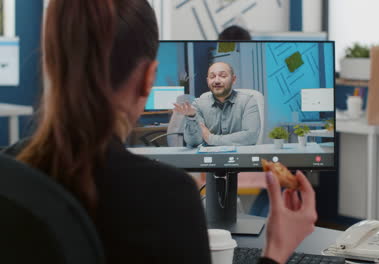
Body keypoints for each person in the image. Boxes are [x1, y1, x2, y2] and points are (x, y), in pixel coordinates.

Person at [3, 0, 317, 263]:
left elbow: (244, 137)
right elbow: (192, 141)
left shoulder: (10, 173)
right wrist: (276, 250)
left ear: (52, 65)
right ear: (148, 78)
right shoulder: (168, 197)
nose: (216, 80)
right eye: (212, 76)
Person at [173, 61, 261, 147]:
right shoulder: (198, 104)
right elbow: (194, 142)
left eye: (223, 76)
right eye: (212, 77)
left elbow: (251, 136)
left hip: (239, 158)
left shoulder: (248, 101)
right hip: (208, 159)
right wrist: (191, 118)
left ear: (233, 79)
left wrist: (211, 139)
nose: (217, 80)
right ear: (208, 81)